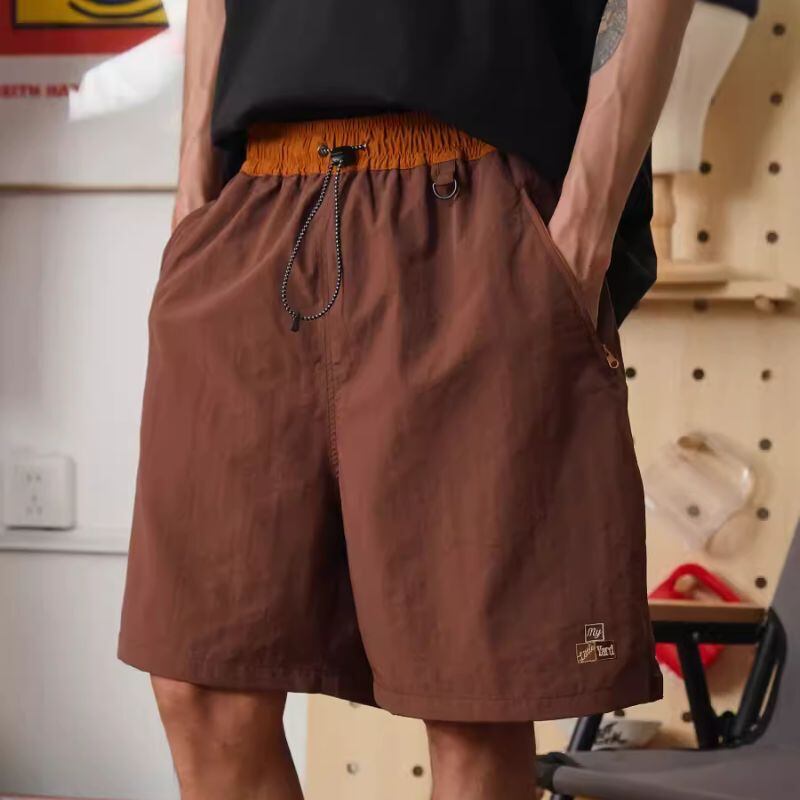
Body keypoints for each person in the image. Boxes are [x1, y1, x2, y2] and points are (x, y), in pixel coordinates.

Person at [118, 1, 695, 797]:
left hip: (472, 188)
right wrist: (193, 194)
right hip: (254, 202)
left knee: (474, 703)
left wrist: (586, 224)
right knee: (202, 682)